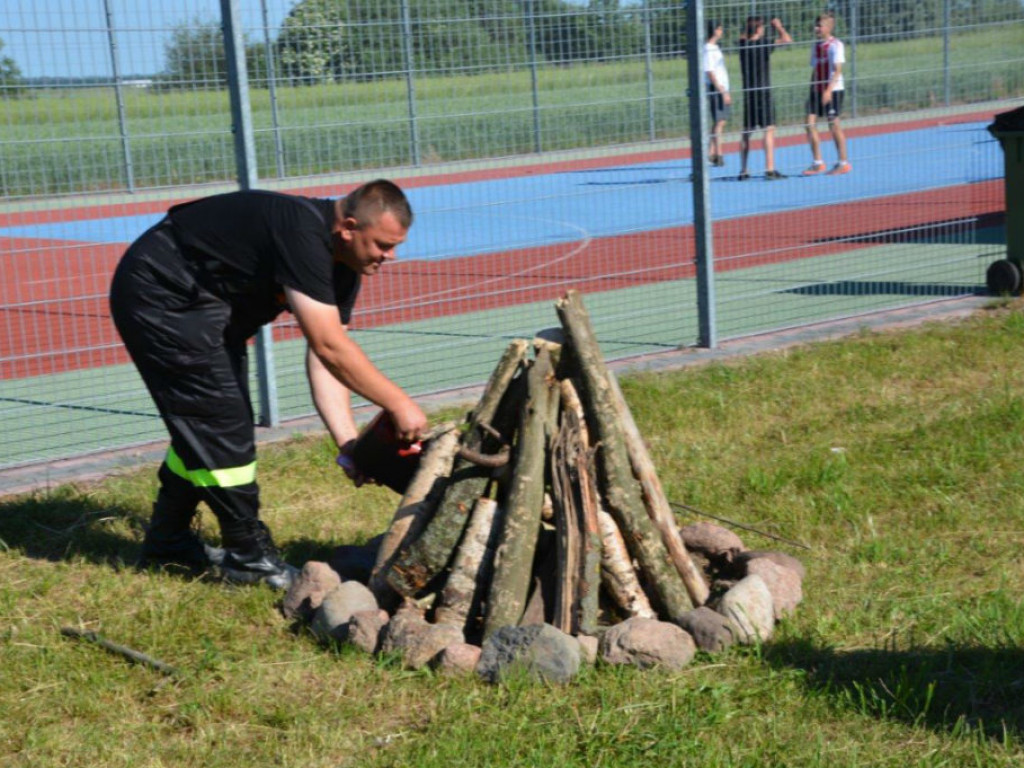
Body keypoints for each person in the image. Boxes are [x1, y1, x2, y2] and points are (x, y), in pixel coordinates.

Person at [109, 180, 428, 589]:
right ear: (348, 226)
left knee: (211, 424)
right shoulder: (301, 232)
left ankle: (167, 543)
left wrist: (349, 443)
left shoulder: (344, 265)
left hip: (209, 310)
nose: (391, 256)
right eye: (383, 245)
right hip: (163, 294)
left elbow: (326, 355)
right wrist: (398, 403)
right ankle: (249, 558)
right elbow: (329, 346)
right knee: (221, 424)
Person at [737, 16, 792, 180]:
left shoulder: (742, 44)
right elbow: (787, 40)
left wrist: (750, 28)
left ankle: (743, 170)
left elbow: (743, 35)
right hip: (764, 91)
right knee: (769, 129)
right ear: (760, 29)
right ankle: (769, 169)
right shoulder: (764, 44)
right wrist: (778, 26)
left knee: (747, 131)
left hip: (749, 92)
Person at [803, 12, 851, 176]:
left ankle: (843, 162)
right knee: (809, 123)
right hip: (816, 90)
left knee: (833, 124)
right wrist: (812, 89)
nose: (816, 28)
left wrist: (828, 91)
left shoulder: (836, 45)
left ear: (828, 27)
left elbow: (837, 71)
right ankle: (818, 162)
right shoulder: (815, 46)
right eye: (816, 25)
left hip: (834, 90)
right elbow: (815, 70)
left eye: (820, 25)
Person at [703, 20, 731, 168]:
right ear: (714, 30)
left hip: (722, 87)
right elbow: (709, 72)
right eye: (720, 28)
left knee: (721, 121)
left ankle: (710, 154)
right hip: (717, 88)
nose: (721, 31)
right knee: (719, 121)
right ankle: (718, 154)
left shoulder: (715, 47)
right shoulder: (708, 48)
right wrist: (722, 91)